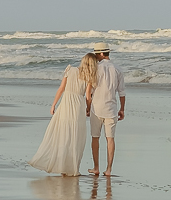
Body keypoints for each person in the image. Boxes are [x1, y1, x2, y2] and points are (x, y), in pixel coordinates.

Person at [29, 53, 99, 175]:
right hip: (78, 105)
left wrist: (53, 104)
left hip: (66, 104)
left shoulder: (70, 70)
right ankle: (72, 168)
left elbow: (61, 88)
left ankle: (62, 165)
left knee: (63, 134)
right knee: (75, 136)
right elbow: (88, 96)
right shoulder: (89, 76)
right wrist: (88, 108)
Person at [85, 42, 125, 177]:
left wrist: (88, 107)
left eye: (97, 54)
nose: (96, 57)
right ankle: (108, 169)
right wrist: (122, 109)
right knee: (110, 139)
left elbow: (89, 92)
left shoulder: (95, 69)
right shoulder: (118, 68)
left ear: (101, 53)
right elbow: (122, 92)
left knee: (95, 138)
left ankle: (96, 167)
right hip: (112, 108)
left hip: (97, 108)